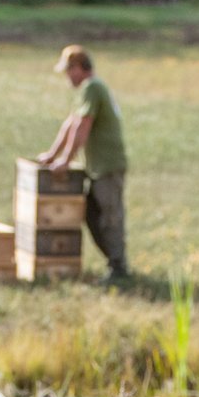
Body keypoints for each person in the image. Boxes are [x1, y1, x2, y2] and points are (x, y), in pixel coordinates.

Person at [33, 43, 130, 280]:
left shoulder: (93, 87)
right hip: (96, 166)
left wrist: (66, 160)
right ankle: (113, 261)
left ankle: (118, 268)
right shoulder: (86, 91)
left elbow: (82, 125)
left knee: (109, 217)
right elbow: (71, 123)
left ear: (79, 67)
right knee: (91, 214)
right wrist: (53, 154)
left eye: (68, 70)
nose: (67, 76)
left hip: (107, 165)